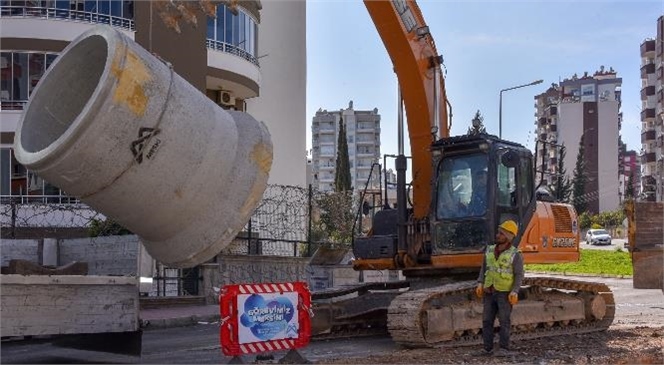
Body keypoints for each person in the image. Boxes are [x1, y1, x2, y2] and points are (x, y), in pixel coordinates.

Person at [475, 220, 524, 357]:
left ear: (508, 237)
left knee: (504, 321)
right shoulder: (489, 250)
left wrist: (515, 290)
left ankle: (504, 348)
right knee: (486, 321)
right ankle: (487, 348)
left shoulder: (515, 254)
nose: (498, 235)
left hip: (504, 293)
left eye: (501, 233)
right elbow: (484, 268)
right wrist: (480, 282)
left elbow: (519, 274)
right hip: (489, 292)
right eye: (498, 232)